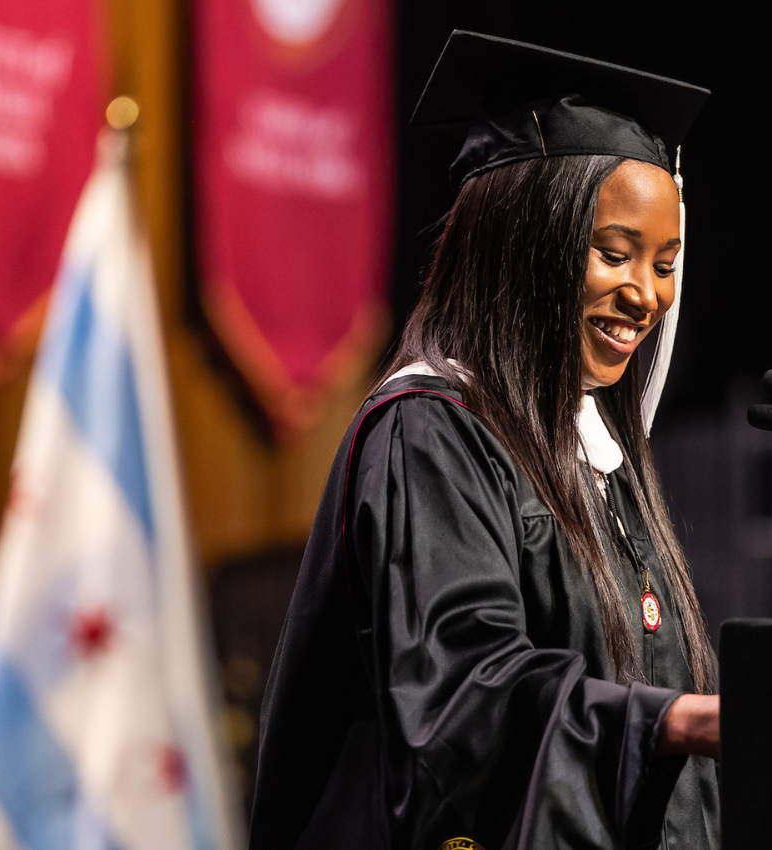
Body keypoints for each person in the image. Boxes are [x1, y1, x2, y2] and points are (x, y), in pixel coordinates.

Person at [249, 32, 720, 850]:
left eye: (664, 263)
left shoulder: (598, 457)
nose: (645, 295)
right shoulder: (430, 432)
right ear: (523, 244)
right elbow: (464, 696)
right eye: (615, 254)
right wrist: (672, 723)